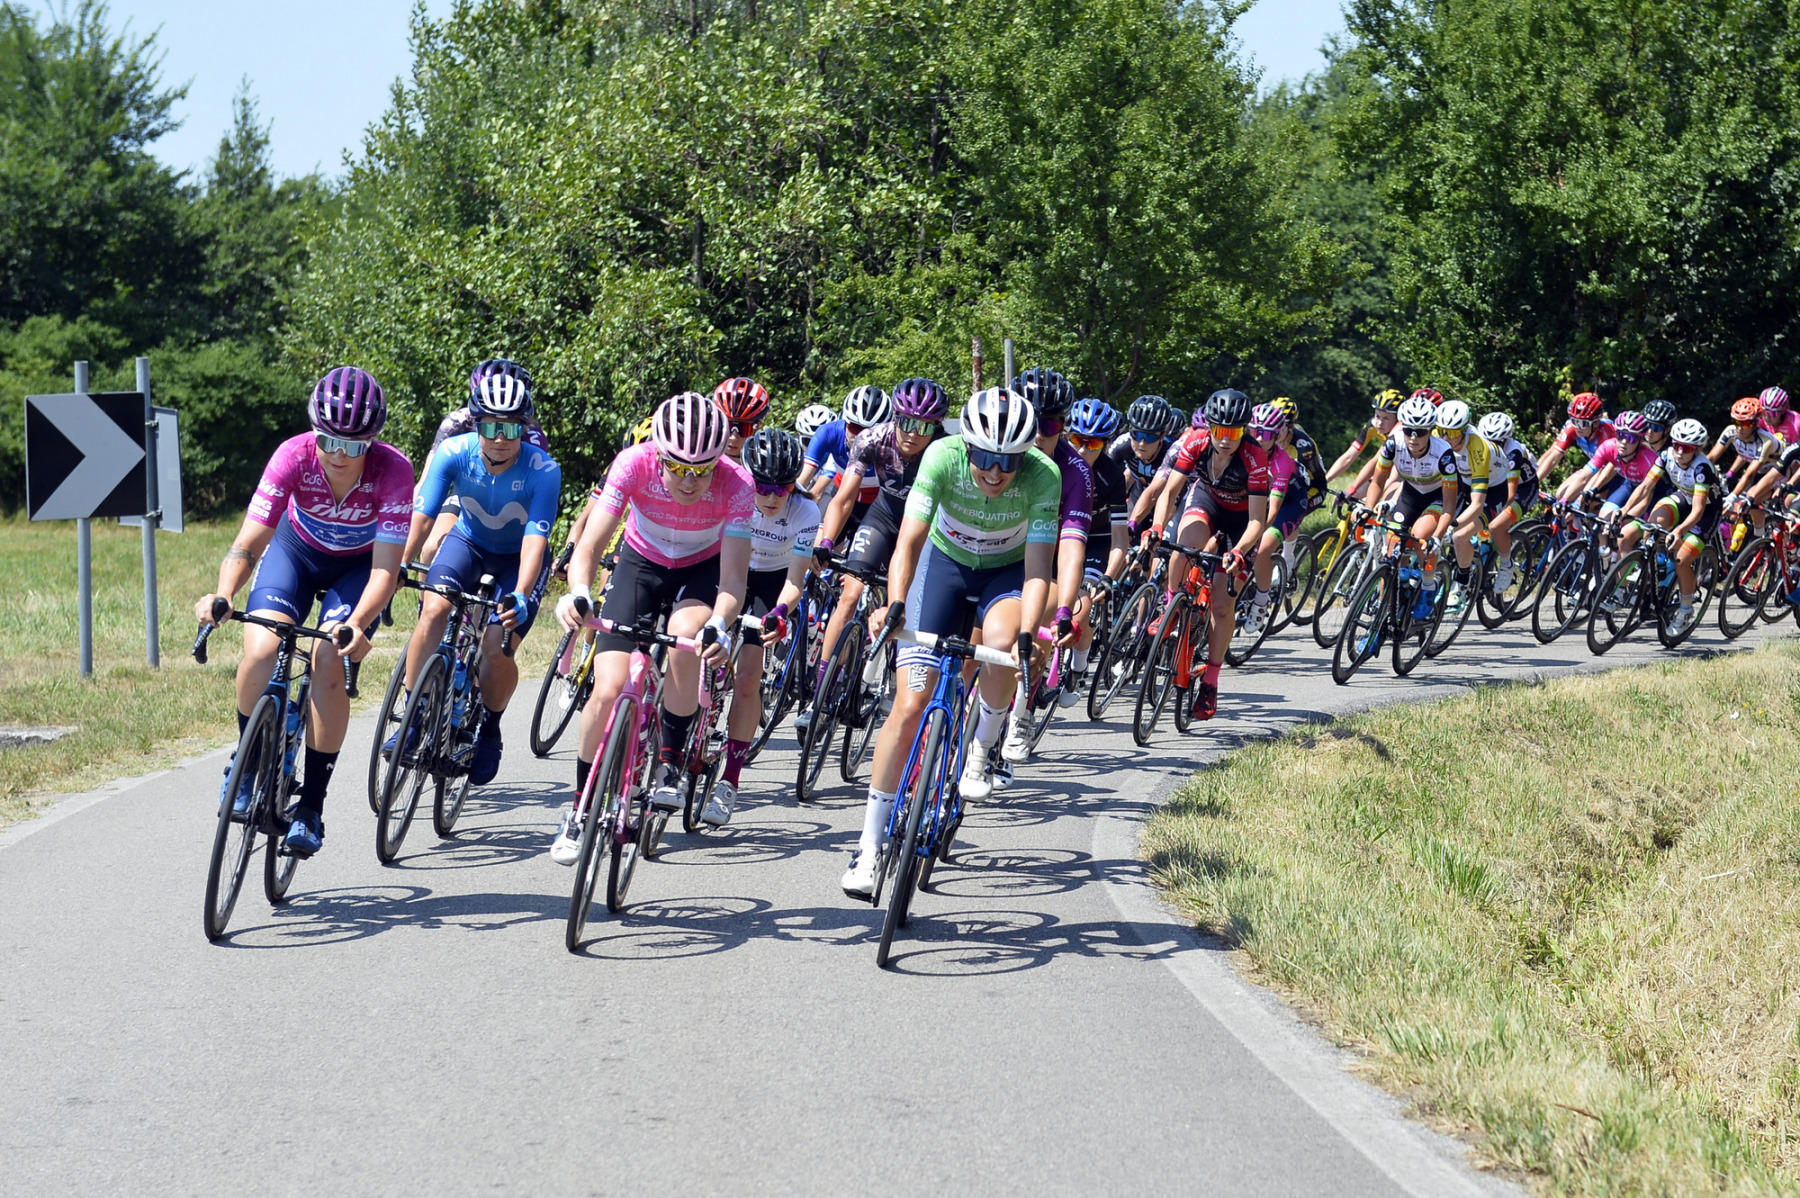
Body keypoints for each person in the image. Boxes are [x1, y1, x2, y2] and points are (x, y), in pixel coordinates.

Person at [839, 387, 1057, 897]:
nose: (996, 471)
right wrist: (895, 604)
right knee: (909, 703)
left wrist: (1029, 634)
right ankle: (869, 846)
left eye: (1008, 461)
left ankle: (983, 745)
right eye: (984, 457)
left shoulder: (1043, 476)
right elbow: (909, 541)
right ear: (967, 447)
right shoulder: (941, 455)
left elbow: (1037, 568)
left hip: (1004, 575)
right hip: (942, 566)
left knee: (1003, 643)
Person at [194, 368, 412, 857]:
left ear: (372, 443)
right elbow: (248, 543)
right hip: (295, 553)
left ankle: (311, 805)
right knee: (262, 650)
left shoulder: (394, 471)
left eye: (354, 445)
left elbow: (384, 572)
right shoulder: (292, 455)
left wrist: (356, 624)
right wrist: (223, 594)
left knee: (328, 660)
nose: (338, 454)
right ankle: (249, 760)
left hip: (357, 570)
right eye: (328, 440)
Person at [549, 392, 752, 865]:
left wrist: (720, 624)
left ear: (718, 462)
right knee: (608, 688)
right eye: (677, 466)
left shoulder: (737, 483)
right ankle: (579, 808)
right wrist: (578, 592)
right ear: (658, 453)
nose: (689, 479)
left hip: (701, 571)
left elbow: (734, 580)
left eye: (702, 469)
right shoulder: (633, 463)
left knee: (686, 638)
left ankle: (669, 761)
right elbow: (591, 546)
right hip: (640, 563)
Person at [395, 367, 562, 786]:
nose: (500, 437)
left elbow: (534, 541)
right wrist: (403, 560)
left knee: (494, 647)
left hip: (516, 560)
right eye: (490, 426)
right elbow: (424, 514)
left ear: (524, 427)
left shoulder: (544, 470)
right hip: (468, 544)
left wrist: (521, 593)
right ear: (476, 423)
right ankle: (414, 714)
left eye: (510, 427)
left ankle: (490, 728)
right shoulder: (455, 451)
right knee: (432, 609)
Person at [800, 378, 950, 731]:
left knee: (911, 605)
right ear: (894, 417)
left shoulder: (946, 451)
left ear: (937, 427)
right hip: (885, 514)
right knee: (849, 595)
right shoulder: (872, 439)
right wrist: (826, 540)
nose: (913, 433)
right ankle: (821, 694)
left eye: (925, 426)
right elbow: (844, 498)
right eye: (907, 422)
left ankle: (896, 682)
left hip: (926, 525)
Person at [714, 428, 819, 826]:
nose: (773, 497)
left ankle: (730, 781)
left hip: (770, 582)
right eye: (763, 486)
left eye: (783, 488)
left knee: (748, 675)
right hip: (729, 570)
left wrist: (779, 612)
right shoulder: (733, 491)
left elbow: (795, 580)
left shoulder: (805, 512)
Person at [1146, 388, 1270, 721]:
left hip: (1242, 522)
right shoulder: (1196, 441)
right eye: (1220, 431)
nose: (1226, 439)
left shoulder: (1255, 458)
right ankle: (1171, 605)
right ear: (1210, 427)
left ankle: (1211, 681)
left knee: (1220, 603)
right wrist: (1157, 527)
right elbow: (1170, 491)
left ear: (1244, 431)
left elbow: (1258, 520)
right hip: (1208, 501)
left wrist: (1240, 552)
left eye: (1234, 432)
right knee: (1182, 549)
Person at [1618, 419, 1720, 634]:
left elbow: (1699, 509)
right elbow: (1646, 486)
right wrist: (1624, 510)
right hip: (1684, 497)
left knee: (1682, 559)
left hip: (1706, 512)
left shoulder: (1702, 468)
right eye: (1677, 445)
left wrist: (1680, 531)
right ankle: (1656, 566)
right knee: (1652, 525)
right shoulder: (1666, 456)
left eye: (1687, 448)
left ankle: (1685, 609)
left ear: (1698, 449)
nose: (1680, 452)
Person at [1362, 395, 1463, 610]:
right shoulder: (1393, 444)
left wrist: (1437, 537)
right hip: (1411, 493)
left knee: (1419, 536)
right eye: (1409, 430)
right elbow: (1377, 482)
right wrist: (1367, 509)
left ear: (1430, 431)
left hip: (1437, 497)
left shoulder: (1443, 453)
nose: (1414, 437)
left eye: (1421, 432)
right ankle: (1384, 611)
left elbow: (1449, 506)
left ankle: (1428, 586)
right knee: (1392, 544)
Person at [1064, 398, 1131, 701]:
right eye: (1077, 439)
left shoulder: (1112, 475)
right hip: (1060, 537)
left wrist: (1109, 576)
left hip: (1097, 539)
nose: (1083, 449)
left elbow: (1120, 539)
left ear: (1105, 444)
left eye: (1093, 443)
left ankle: (1078, 670)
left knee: (1083, 605)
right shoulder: (1054, 461)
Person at [1473, 411, 1541, 593]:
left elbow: (1510, 494)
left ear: (1506, 439)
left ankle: (1506, 565)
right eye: (1488, 441)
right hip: (1496, 484)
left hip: (1523, 489)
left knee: (1495, 526)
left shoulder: (1513, 452)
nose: (1492, 446)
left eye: (1498, 443)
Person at [797, 385, 890, 505]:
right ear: (845, 421)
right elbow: (801, 483)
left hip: (880, 502)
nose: (861, 437)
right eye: (855, 428)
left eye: (871, 431)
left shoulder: (894, 444)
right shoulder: (829, 432)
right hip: (840, 492)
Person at [1574, 410, 1657, 516]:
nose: (1623, 442)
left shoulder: (1649, 461)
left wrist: (1624, 516)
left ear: (1640, 440)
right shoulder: (1611, 446)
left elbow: (1646, 496)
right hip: (1630, 484)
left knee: (1628, 530)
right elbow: (1587, 474)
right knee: (1604, 517)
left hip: (1652, 493)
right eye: (1620, 435)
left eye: (1630, 439)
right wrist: (1565, 500)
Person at [1538, 392, 1617, 498]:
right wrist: (1533, 481)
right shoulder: (1571, 427)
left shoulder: (1606, 432)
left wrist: (1579, 497)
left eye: (1583, 423)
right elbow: (1553, 455)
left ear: (1596, 423)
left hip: (1613, 472)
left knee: (1580, 501)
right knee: (1560, 494)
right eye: (1574, 421)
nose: (1578, 427)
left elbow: (1603, 470)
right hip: (1594, 468)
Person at [1326, 388, 1405, 491]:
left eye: (1386, 418)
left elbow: (1376, 461)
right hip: (1387, 467)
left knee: (1375, 501)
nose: (1380, 423)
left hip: (1407, 473)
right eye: (1377, 416)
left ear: (1397, 418)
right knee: (1354, 499)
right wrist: (1324, 481)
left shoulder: (1401, 431)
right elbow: (1348, 457)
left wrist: (1353, 489)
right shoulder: (1372, 426)